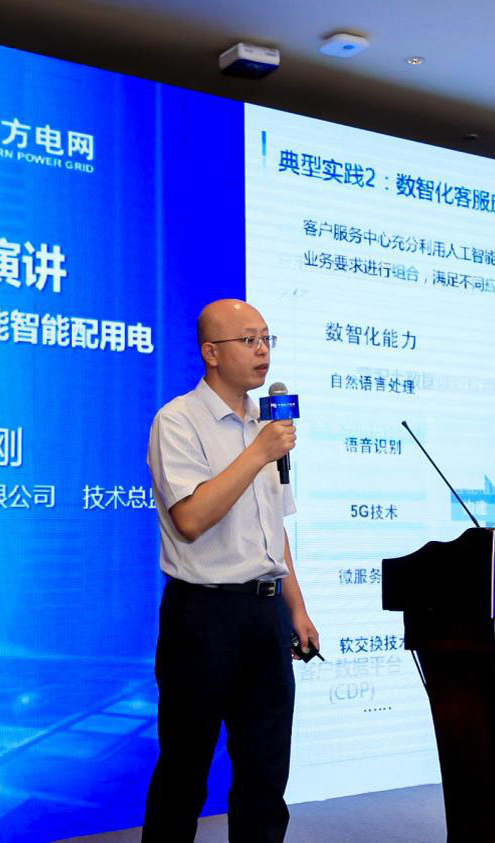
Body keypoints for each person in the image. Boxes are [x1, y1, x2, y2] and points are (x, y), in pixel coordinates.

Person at [142, 299, 319, 842]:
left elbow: (274, 528)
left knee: (266, 775)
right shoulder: (178, 421)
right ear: (211, 353)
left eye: (266, 338)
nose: (262, 350)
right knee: (185, 773)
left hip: (266, 615)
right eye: (249, 340)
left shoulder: (267, 426)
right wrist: (256, 453)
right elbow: (191, 519)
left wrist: (297, 609)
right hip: (203, 616)